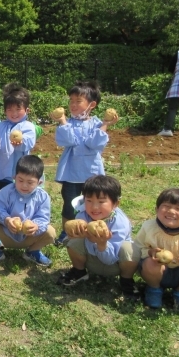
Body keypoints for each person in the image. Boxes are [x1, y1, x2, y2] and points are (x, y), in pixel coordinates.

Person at [52, 81, 117, 246]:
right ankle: (66, 231)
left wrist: (105, 124)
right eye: (71, 101)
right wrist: (62, 121)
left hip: (91, 173)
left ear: (91, 104)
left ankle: (96, 229)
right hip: (71, 174)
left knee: (94, 202)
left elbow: (95, 143)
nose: (73, 105)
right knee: (69, 204)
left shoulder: (97, 124)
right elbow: (67, 140)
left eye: (78, 101)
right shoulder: (68, 123)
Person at [56, 175, 139, 297]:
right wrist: (72, 232)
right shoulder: (82, 215)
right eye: (89, 201)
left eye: (101, 202)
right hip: (92, 261)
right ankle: (79, 272)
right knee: (73, 241)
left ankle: (126, 281)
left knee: (130, 249)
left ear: (115, 203)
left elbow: (110, 259)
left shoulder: (120, 223)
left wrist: (102, 243)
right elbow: (70, 241)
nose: (94, 207)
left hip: (115, 265)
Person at [0, 155, 54, 267]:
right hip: (5, 235)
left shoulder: (43, 197)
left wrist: (36, 226)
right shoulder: (6, 191)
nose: (24, 185)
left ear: (39, 182)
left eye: (30, 182)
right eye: (20, 180)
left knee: (51, 232)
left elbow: (43, 218)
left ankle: (32, 251)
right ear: (14, 177)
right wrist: (7, 219)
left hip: (29, 238)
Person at [0, 84, 36, 199]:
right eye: (10, 109)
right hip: (1, 173)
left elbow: (29, 143)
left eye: (18, 109)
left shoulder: (28, 126)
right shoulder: (0, 126)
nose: (14, 113)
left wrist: (21, 143)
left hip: (19, 175)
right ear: (5, 111)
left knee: (16, 200)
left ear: (27, 110)